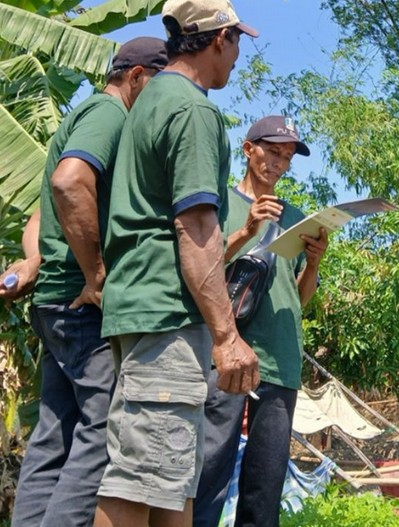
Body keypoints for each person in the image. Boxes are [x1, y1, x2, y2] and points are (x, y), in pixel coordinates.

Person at [94, 2, 259, 525]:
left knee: (169, 485)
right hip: (166, 315)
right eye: (238, 41)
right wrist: (227, 336)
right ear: (220, 38)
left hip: (144, 308)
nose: (238, 55)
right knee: (137, 484)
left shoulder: (152, 98)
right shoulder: (192, 109)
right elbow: (197, 227)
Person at [5, 37, 168, 527]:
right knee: (103, 432)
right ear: (136, 77)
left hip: (56, 303)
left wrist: (35, 260)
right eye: (159, 87)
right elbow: (67, 183)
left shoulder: (83, 116)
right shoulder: (109, 115)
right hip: (81, 306)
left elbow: (40, 216)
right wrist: (96, 274)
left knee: (54, 437)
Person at [193, 115, 328, 527]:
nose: (278, 163)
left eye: (286, 157)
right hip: (228, 357)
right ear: (249, 149)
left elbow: (298, 297)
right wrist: (247, 229)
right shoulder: (218, 203)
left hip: (281, 360)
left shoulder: (296, 217)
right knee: (208, 477)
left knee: (266, 487)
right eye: (271, 152)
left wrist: (314, 263)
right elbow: (200, 270)